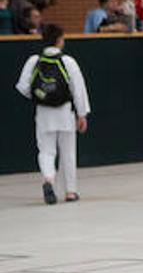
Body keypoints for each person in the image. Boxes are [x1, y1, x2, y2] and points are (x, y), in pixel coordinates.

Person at [14, 24, 90, 205]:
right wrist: (82, 114)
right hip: (65, 112)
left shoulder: (34, 61)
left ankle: (48, 180)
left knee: (46, 151)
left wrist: (39, 96)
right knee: (68, 152)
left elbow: (23, 86)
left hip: (43, 113)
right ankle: (70, 192)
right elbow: (78, 90)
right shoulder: (68, 61)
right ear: (58, 40)